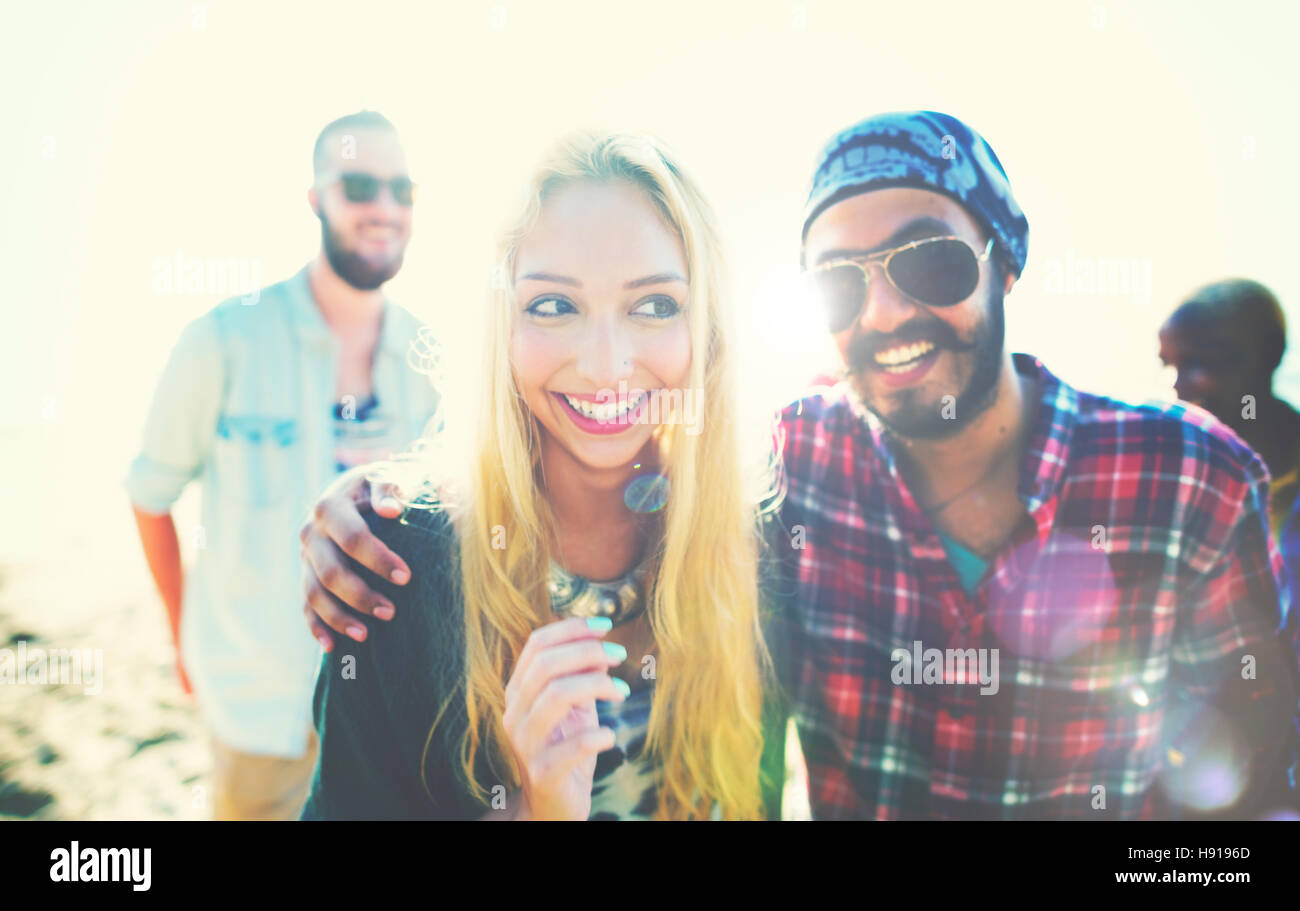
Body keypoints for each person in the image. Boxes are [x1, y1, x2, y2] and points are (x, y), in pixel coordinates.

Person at [300, 111, 1300, 820]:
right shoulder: (794, 480)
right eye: (836, 286)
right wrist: (369, 505)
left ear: (1007, 256)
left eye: (930, 261)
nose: (887, 312)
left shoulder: (1188, 478)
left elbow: (1253, 779)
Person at [299, 131, 790, 821]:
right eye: (554, 305)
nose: (604, 363)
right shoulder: (392, 568)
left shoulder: (761, 544)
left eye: (653, 305)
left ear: (704, 328)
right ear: (501, 325)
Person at [126, 110, 441, 820]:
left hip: (392, 716)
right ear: (316, 200)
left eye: (404, 189)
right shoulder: (222, 339)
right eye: (360, 185)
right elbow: (151, 492)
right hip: (257, 709)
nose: (385, 209)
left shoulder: (433, 358)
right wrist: (183, 639)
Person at [1159, 279, 1300, 597]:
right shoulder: (1175, 478)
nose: (1179, 386)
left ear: (1268, 356)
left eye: (1198, 363)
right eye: (1168, 364)